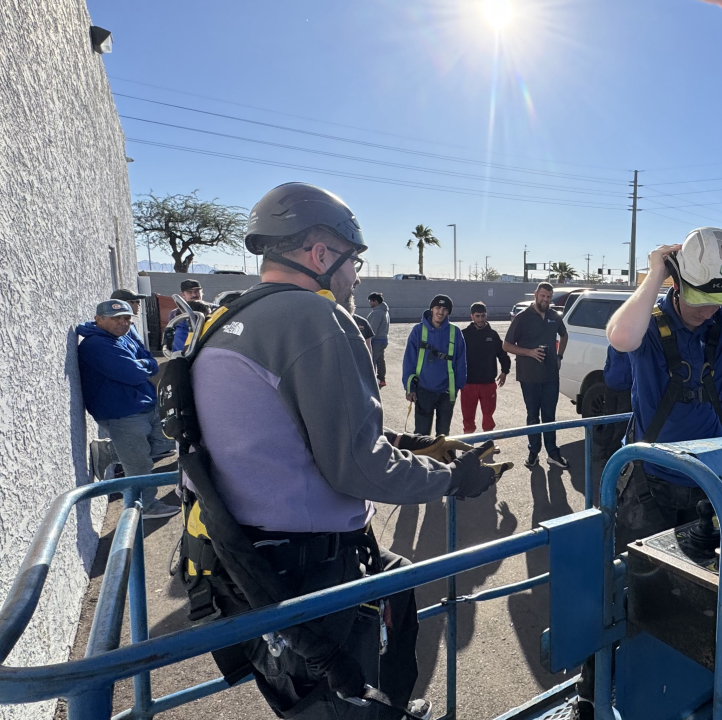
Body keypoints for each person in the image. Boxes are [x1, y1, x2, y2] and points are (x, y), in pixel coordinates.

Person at [180, 181, 509, 720]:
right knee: (340, 703)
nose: (357, 275)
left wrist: (420, 443)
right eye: (354, 261)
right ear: (320, 255)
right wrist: (452, 479)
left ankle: (394, 703)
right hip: (307, 572)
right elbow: (358, 466)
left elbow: (298, 430)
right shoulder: (316, 317)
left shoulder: (227, 319)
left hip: (249, 569)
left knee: (396, 591)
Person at [581, 227, 722, 718]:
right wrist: (654, 274)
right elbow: (620, 336)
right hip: (649, 483)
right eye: (704, 295)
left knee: (698, 593)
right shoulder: (650, 318)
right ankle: (593, 694)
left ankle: (679, 687)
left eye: (720, 297)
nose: (710, 307)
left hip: (708, 484)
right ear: (678, 281)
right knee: (625, 592)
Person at [76, 299, 179, 518]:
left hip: (143, 404)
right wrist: (143, 366)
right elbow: (135, 373)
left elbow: (149, 360)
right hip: (121, 412)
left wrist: (142, 365)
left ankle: (109, 452)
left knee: (169, 439)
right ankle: (145, 507)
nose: (123, 323)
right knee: (138, 464)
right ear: (99, 319)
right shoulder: (96, 345)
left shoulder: (122, 337)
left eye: (126, 318)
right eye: (116, 319)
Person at [503, 282, 570, 469]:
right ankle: (533, 453)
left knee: (549, 415)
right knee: (533, 416)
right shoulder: (522, 317)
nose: (545, 299)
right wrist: (529, 352)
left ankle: (553, 454)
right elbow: (507, 345)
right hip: (529, 376)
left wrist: (559, 356)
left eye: (548, 297)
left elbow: (564, 336)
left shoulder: (554, 316)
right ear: (536, 295)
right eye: (542, 296)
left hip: (550, 375)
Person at [403, 295, 467, 436]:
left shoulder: (455, 332)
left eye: (445, 309)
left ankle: (443, 459)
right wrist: (409, 387)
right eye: (438, 307)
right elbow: (409, 361)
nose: (440, 312)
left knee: (443, 436)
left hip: (447, 391)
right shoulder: (418, 331)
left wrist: (457, 387)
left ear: (448, 312)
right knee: (421, 435)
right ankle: (419, 458)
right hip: (423, 390)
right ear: (431, 309)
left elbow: (461, 362)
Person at [461, 302, 510, 434]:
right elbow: (455, 358)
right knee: (468, 416)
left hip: (488, 383)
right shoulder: (463, 335)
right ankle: (468, 444)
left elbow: (503, 354)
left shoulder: (493, 335)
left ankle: (488, 443)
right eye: (477, 316)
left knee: (488, 415)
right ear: (472, 317)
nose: (481, 319)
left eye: (483, 316)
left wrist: (505, 371)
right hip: (468, 384)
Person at [594, 346, 633, 460]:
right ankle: (604, 451)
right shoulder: (611, 347)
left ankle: (611, 454)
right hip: (611, 387)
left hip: (625, 389)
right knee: (608, 420)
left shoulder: (632, 349)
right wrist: (607, 377)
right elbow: (608, 363)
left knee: (620, 424)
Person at [367, 292, 390, 387]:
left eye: (371, 301)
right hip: (383, 340)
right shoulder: (384, 311)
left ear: (375, 301)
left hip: (376, 341)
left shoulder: (377, 313)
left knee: (371, 360)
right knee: (380, 360)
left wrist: (367, 341)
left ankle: (370, 381)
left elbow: (372, 330)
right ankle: (381, 379)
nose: (370, 303)